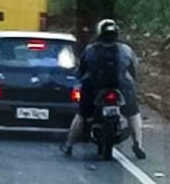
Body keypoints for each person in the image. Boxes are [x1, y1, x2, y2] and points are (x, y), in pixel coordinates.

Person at [60, 18, 146, 159]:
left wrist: (81, 79)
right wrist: (133, 83)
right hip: (123, 88)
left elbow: (81, 70)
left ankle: (69, 145)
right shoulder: (126, 50)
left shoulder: (90, 50)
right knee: (133, 114)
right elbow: (134, 70)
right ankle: (138, 144)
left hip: (94, 88)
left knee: (82, 115)